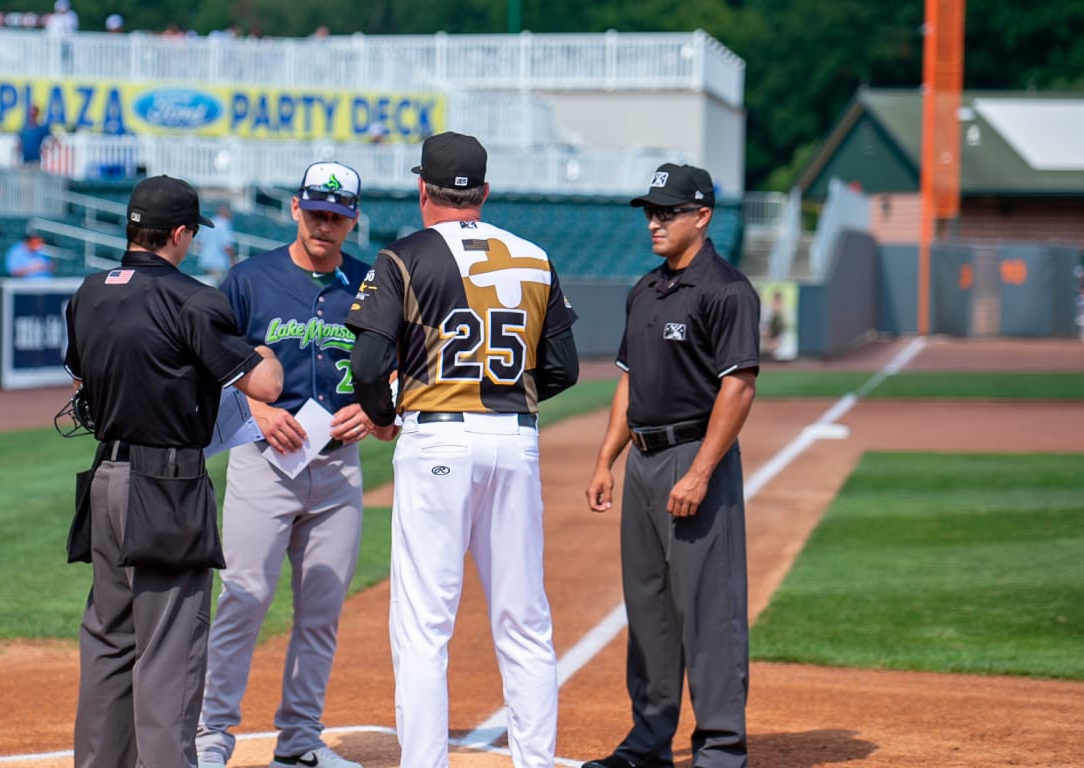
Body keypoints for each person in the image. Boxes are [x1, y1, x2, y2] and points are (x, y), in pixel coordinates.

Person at [344, 131, 582, 768]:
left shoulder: (404, 257)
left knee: (424, 624)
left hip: (437, 438)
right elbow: (563, 368)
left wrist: (384, 414)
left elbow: (367, 362)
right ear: (483, 191)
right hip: (515, 438)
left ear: (423, 188)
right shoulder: (533, 256)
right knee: (524, 620)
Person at [66, 174, 285, 768]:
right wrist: (262, 354)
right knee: (169, 651)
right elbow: (263, 385)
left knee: (110, 641)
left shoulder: (89, 291)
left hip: (106, 477)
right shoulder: (192, 298)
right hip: (166, 485)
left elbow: (81, 375)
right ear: (182, 233)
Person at [196, 161, 382, 768]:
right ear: (296, 210)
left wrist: (379, 411)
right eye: (317, 211)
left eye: (338, 215)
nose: (326, 224)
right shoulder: (250, 279)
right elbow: (207, 366)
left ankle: (299, 744)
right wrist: (253, 406)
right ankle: (210, 737)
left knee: (322, 608)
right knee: (243, 598)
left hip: (338, 466)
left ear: (352, 221)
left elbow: (400, 369)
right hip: (263, 462)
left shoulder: (371, 282)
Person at [582, 163, 759, 768]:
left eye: (668, 211)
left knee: (710, 608)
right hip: (644, 463)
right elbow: (628, 385)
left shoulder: (725, 289)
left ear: (702, 216)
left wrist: (702, 472)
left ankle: (720, 749)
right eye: (650, 211)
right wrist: (607, 460)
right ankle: (648, 743)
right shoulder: (646, 289)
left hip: (693, 457)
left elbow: (737, 388)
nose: (654, 221)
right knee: (650, 609)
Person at [193, 204, 236, 285]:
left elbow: (199, 243)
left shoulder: (210, 223)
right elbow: (227, 246)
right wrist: (233, 261)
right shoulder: (224, 224)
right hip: (218, 264)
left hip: (205, 262)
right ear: (225, 212)